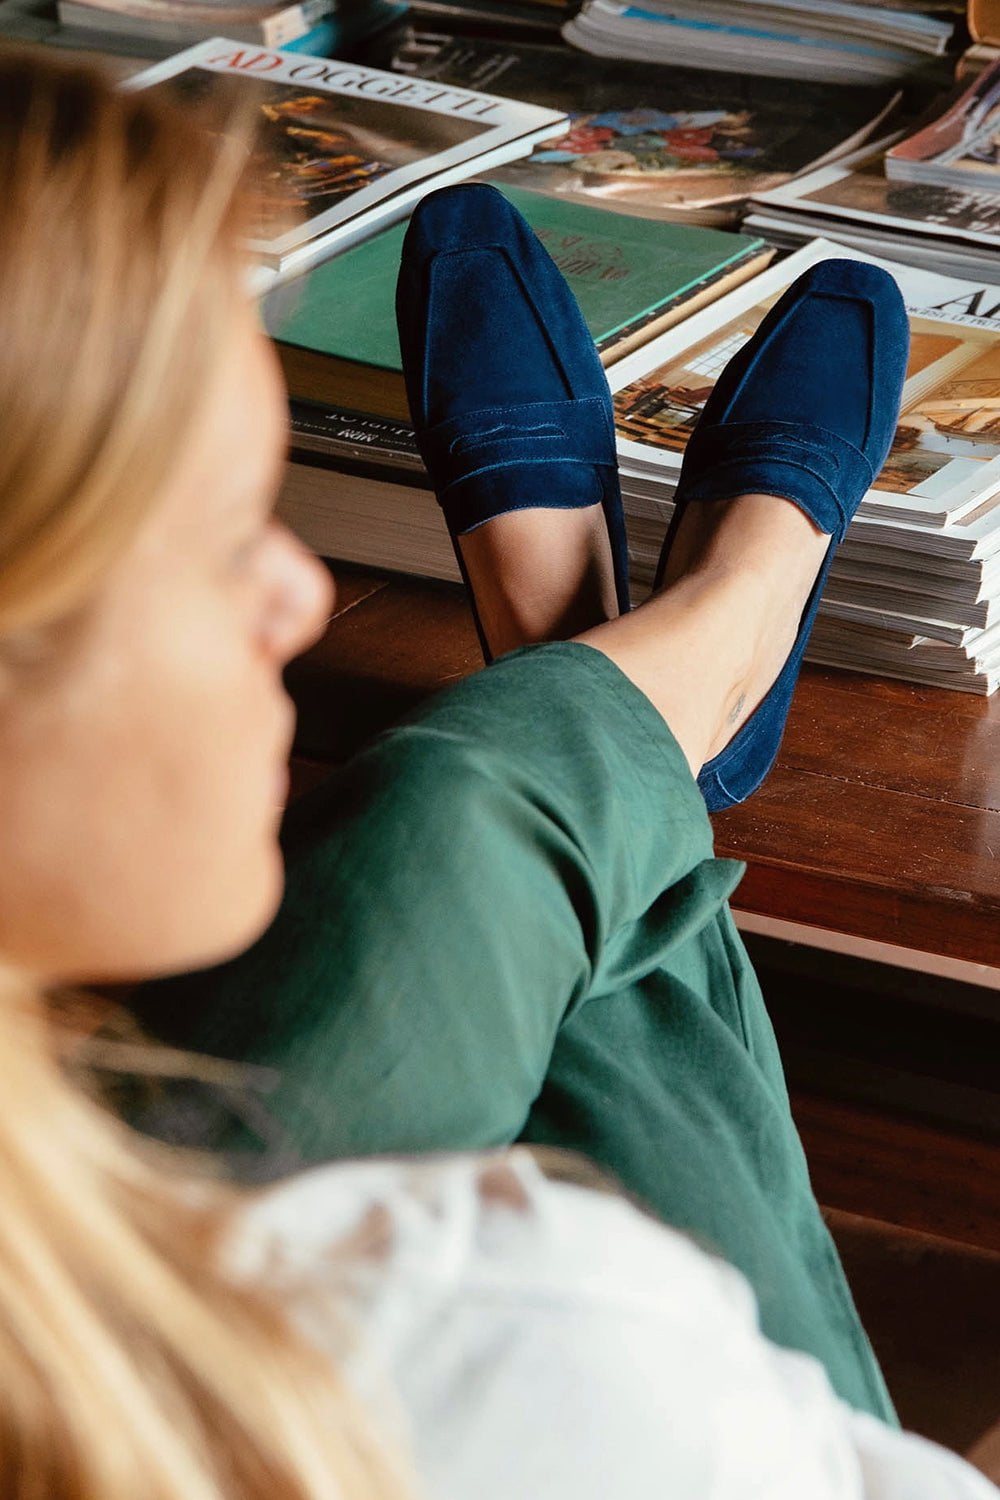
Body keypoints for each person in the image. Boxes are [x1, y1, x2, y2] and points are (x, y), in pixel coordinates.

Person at [0, 48, 995, 1500]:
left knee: (509, 814)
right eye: (222, 537)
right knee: (479, 820)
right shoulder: (496, 1334)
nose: (297, 593)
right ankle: (691, 637)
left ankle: (622, 661)